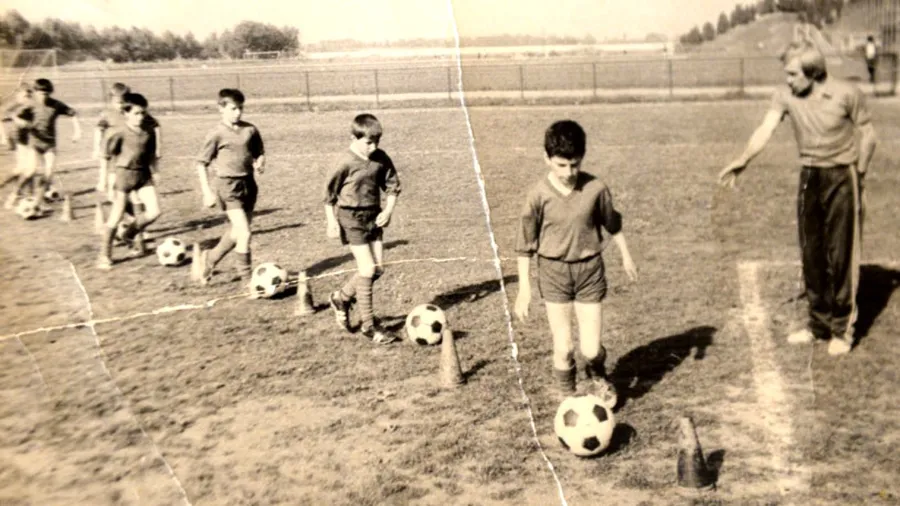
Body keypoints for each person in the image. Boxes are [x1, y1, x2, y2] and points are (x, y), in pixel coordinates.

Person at [718, 41, 878, 356]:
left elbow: (868, 135)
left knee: (842, 253)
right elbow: (765, 128)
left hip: (842, 175)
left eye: (793, 74)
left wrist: (859, 174)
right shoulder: (785, 95)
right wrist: (743, 159)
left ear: (813, 73)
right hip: (809, 177)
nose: (788, 80)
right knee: (811, 251)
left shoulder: (847, 93)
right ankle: (819, 324)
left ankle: (842, 330)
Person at [514, 120, 638, 406]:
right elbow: (524, 246)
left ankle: (597, 373)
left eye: (574, 165)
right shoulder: (538, 196)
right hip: (554, 273)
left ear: (582, 158)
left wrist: (626, 255)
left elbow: (612, 224)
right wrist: (524, 289)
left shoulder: (596, 188)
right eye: (561, 165)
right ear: (546, 158)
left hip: (589, 271)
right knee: (564, 347)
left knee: (591, 349)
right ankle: (567, 398)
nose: (569, 173)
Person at [325, 113, 401, 345]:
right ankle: (369, 326)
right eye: (368, 142)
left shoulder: (380, 158)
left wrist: (388, 211)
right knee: (367, 269)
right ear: (354, 138)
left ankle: (342, 298)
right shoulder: (344, 162)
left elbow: (392, 187)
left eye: (377, 141)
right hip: (351, 218)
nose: (373, 147)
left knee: (377, 269)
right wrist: (331, 221)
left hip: (373, 216)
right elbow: (329, 197)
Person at [195, 89, 266, 285]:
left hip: (248, 184)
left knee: (237, 232)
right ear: (221, 108)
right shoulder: (216, 133)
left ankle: (210, 258)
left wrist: (260, 162)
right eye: (233, 109)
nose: (238, 113)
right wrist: (207, 192)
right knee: (244, 233)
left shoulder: (250, 130)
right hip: (227, 186)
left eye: (240, 108)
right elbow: (201, 163)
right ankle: (247, 280)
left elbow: (259, 152)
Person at [95, 82, 162, 253]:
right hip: (124, 176)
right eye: (136, 113)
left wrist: (156, 171)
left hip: (144, 175)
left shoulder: (148, 131)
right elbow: (105, 156)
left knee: (154, 212)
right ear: (126, 113)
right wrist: (103, 179)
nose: (141, 117)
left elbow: (151, 154)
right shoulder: (117, 132)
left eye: (143, 112)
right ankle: (105, 254)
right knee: (116, 216)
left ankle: (129, 233)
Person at [8, 78, 81, 210]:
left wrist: (77, 131)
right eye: (41, 94)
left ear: (50, 93)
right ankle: (15, 194)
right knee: (31, 171)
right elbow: (14, 115)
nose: (44, 97)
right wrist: (20, 121)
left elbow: (73, 113)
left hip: (50, 145)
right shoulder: (31, 105)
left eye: (47, 94)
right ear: (35, 92)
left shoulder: (56, 105)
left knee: (49, 173)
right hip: (35, 144)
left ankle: (37, 202)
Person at [1, 84, 34, 207]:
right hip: (22, 142)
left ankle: (29, 195)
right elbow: (7, 119)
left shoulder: (26, 106)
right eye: (26, 95)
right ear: (18, 95)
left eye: (29, 94)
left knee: (25, 169)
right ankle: (20, 195)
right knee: (27, 169)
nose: (28, 96)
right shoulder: (18, 107)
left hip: (26, 141)